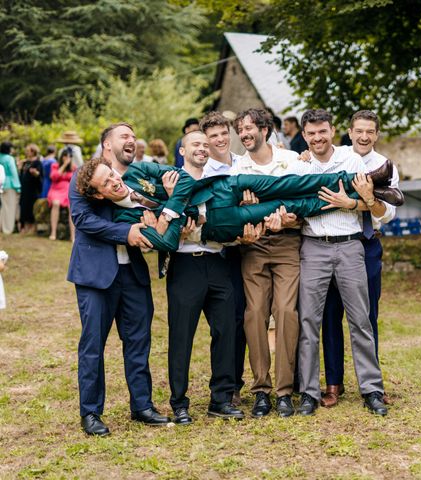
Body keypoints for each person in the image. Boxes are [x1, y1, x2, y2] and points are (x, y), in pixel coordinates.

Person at [75, 134, 399, 251]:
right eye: (107, 184)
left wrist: (166, 215)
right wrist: (171, 216)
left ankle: (370, 178)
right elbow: (169, 243)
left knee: (289, 183)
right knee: (293, 206)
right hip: (222, 222)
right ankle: (367, 199)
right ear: (100, 194)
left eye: (111, 175)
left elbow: (184, 182)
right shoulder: (125, 217)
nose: (115, 182)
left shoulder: (136, 171)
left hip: (224, 187)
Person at [68, 122, 170, 437]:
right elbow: (83, 220)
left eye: (133, 135)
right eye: (124, 136)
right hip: (96, 275)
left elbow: (159, 208)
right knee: (93, 345)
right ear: (107, 145)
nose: (132, 140)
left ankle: (142, 405)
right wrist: (126, 233)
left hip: (133, 272)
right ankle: (91, 413)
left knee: (139, 341)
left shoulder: (139, 177)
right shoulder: (84, 177)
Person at [295, 109, 387, 417]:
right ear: (304, 135)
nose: (317, 138)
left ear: (333, 131)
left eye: (322, 131)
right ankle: (308, 392)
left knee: (360, 319)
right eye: (311, 133)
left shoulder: (352, 161)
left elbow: (369, 204)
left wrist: (351, 202)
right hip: (313, 247)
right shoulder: (299, 165)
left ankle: (372, 389)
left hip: (349, 246)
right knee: (309, 321)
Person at [162, 114, 248, 425]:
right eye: (195, 144)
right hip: (186, 264)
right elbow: (159, 228)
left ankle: (221, 399)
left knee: (226, 331)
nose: (202, 148)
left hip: (218, 261)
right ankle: (179, 401)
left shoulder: (220, 183)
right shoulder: (171, 182)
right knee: (182, 334)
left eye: (204, 144)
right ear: (182, 151)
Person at [321, 110, 399, 408]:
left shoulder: (384, 166)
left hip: (366, 245)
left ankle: (373, 385)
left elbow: (387, 214)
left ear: (376, 134)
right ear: (349, 132)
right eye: (359, 131)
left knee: (366, 316)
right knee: (330, 313)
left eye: (370, 132)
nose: (364, 136)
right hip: (331, 245)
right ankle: (333, 383)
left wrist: (364, 200)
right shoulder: (335, 156)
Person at [232, 108, 307, 418]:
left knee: (287, 313)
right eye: (241, 129)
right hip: (255, 246)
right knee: (255, 314)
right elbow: (230, 210)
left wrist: (292, 218)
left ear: (265, 129)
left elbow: (305, 200)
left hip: (288, 243)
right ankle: (261, 389)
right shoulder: (238, 168)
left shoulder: (291, 161)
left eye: (250, 127)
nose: (245, 134)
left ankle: (285, 390)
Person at [201, 111, 246, 407]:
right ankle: (225, 383)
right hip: (221, 251)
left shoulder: (245, 164)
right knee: (225, 320)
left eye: (222, 133)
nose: (219, 139)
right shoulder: (204, 172)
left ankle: (237, 380)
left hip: (249, 246)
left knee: (243, 317)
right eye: (213, 136)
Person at [47, 147, 76, 241]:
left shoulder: (73, 168)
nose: (67, 158)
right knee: (56, 203)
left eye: (69, 157)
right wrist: (64, 165)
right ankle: (53, 233)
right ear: (62, 157)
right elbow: (54, 177)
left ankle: (73, 236)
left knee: (71, 207)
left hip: (68, 191)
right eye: (65, 156)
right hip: (55, 190)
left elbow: (75, 181)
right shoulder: (55, 165)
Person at [18, 144, 43, 235]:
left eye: (28, 151)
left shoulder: (38, 163)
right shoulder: (25, 162)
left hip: (33, 189)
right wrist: (20, 168)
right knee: (24, 207)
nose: (27, 152)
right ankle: (23, 227)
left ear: (33, 152)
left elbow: (40, 176)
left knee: (31, 207)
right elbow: (21, 175)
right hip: (25, 188)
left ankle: (32, 227)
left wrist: (36, 173)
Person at [0, 142, 20, 234]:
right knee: (9, 208)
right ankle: (7, 229)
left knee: (3, 207)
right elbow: (13, 173)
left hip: (1, 184)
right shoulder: (9, 159)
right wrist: (18, 187)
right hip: (9, 184)